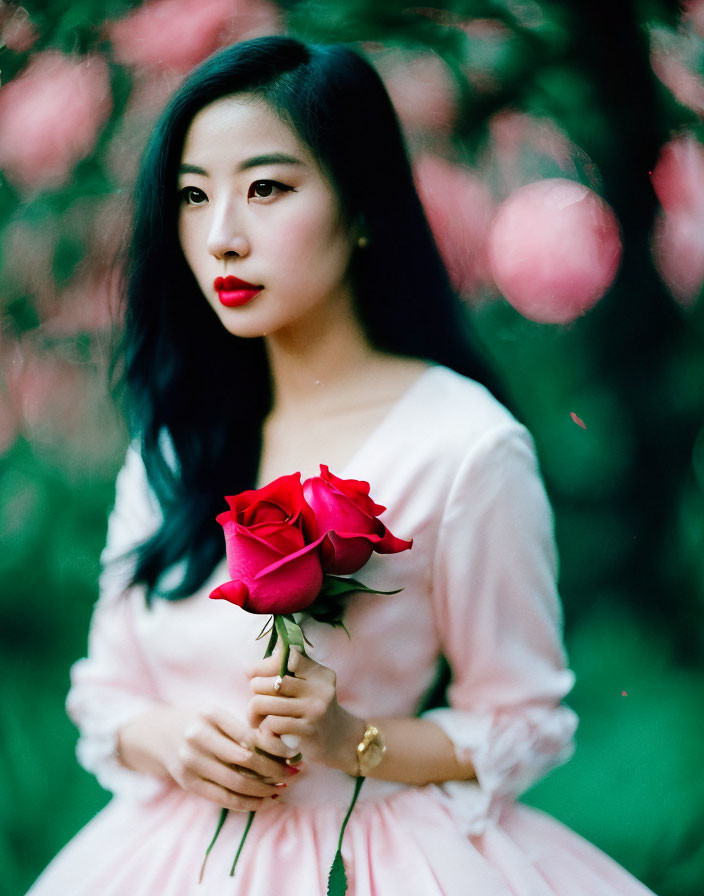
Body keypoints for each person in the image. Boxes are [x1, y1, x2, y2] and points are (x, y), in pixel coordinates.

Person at [27, 35, 656, 896]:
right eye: (192, 196)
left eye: (266, 188)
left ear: (362, 208)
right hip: (167, 859)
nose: (221, 237)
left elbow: (522, 721)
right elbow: (107, 694)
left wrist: (350, 739)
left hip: (378, 856)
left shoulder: (463, 444)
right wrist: (173, 740)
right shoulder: (179, 434)